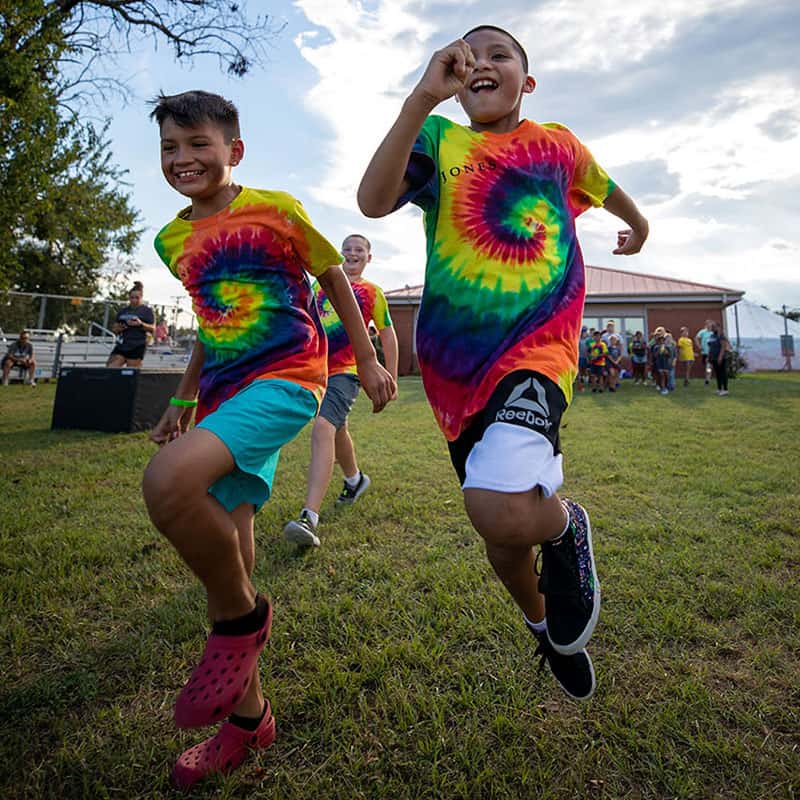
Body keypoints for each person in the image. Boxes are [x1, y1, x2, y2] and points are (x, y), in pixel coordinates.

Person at [357, 25, 649, 701]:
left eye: (500, 55)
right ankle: (544, 625)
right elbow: (373, 202)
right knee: (500, 536)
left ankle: (568, 526)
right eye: (469, 57)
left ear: (528, 79)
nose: (482, 63)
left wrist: (641, 226)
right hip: (455, 367)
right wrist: (420, 101)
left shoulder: (558, 145)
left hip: (539, 346)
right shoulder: (438, 140)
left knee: (504, 505)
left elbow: (611, 190)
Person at [140, 90, 395, 790]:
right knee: (234, 548)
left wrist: (370, 359)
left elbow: (332, 276)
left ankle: (241, 624)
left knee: (166, 483)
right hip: (224, 393)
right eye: (170, 148)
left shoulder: (278, 210)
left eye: (198, 145)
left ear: (235, 151)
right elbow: (208, 320)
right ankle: (250, 720)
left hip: (288, 380)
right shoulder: (170, 241)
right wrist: (185, 396)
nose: (183, 159)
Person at [283, 234, 399, 546]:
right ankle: (355, 480)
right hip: (317, 369)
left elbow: (387, 335)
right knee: (337, 429)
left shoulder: (372, 292)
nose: (351, 253)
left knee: (323, 427)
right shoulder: (321, 287)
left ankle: (309, 516)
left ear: (369, 258)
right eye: (346, 249)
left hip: (348, 371)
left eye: (358, 249)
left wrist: (393, 376)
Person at [106, 281, 156, 367]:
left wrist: (140, 324)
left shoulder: (147, 311)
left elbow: (153, 329)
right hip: (122, 345)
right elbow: (114, 328)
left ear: (141, 297)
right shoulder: (123, 311)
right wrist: (118, 328)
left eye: (137, 298)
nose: (134, 300)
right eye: (132, 298)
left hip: (137, 346)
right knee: (110, 368)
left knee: (130, 374)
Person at [707, 321, 731, 395]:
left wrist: (720, 357)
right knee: (717, 373)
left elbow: (723, 347)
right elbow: (710, 347)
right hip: (713, 357)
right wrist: (709, 356)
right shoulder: (712, 336)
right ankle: (719, 388)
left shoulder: (721, 336)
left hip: (721, 358)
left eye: (714, 327)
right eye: (712, 327)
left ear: (718, 327)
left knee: (723, 373)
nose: (712, 328)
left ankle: (725, 390)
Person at [651, 327, 673, 395]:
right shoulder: (656, 347)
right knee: (662, 375)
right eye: (660, 341)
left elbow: (669, 355)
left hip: (666, 363)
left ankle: (665, 387)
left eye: (662, 340)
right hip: (659, 363)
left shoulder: (667, 347)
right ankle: (663, 388)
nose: (661, 342)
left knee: (666, 375)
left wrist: (666, 351)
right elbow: (655, 355)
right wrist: (659, 351)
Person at [588, 329, 608, 393]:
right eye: (595, 336)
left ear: (600, 337)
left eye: (598, 336)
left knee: (600, 376)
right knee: (593, 375)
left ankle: (601, 388)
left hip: (601, 363)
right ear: (593, 337)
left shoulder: (603, 344)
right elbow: (589, 352)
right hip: (593, 363)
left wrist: (598, 356)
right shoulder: (592, 344)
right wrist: (591, 357)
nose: (597, 337)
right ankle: (594, 388)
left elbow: (605, 353)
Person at [695, 319, 714, 386]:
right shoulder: (702, 332)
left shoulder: (713, 332)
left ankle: (707, 380)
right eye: (708, 324)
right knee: (707, 366)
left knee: (708, 366)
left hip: (711, 353)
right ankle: (707, 378)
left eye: (710, 324)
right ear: (706, 325)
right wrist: (699, 346)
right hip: (704, 352)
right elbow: (696, 338)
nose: (709, 325)